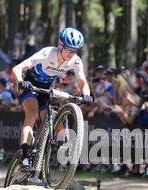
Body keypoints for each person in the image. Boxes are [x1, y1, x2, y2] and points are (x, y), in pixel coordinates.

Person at [11, 27, 93, 170]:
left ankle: (45, 149)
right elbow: (17, 68)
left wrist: (86, 94)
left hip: (48, 87)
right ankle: (24, 155)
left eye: (74, 50)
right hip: (31, 84)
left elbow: (83, 82)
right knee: (31, 115)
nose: (71, 53)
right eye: (68, 49)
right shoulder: (47, 53)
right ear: (60, 45)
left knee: (50, 120)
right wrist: (20, 81)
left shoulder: (76, 61)